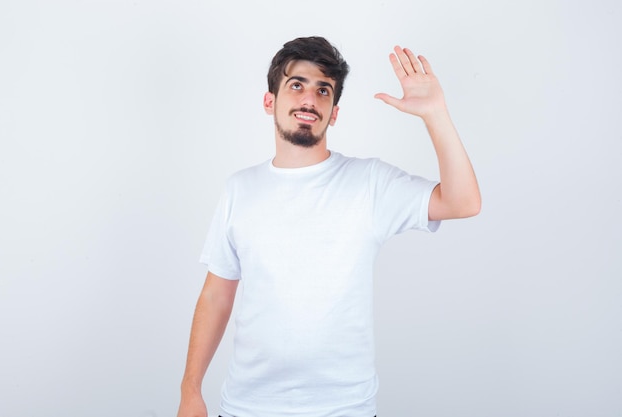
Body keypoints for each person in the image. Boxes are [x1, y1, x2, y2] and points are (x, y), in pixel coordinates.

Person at [177, 36, 481, 417]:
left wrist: (435, 114)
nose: (309, 100)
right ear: (270, 101)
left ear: (334, 112)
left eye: (324, 90)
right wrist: (191, 391)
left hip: (344, 408)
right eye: (296, 85)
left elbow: (463, 202)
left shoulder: (368, 182)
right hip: (247, 407)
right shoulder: (240, 188)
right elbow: (216, 296)